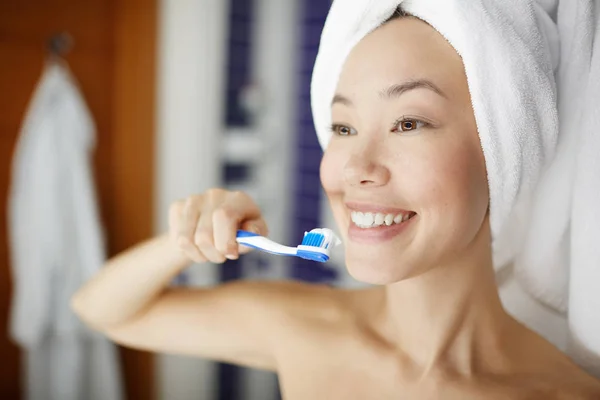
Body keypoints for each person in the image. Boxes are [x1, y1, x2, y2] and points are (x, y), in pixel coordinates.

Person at [71, 10, 600, 399]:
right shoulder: (306, 328)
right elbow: (101, 309)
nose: (355, 167)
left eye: (408, 123)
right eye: (343, 127)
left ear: (502, 151)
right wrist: (184, 241)